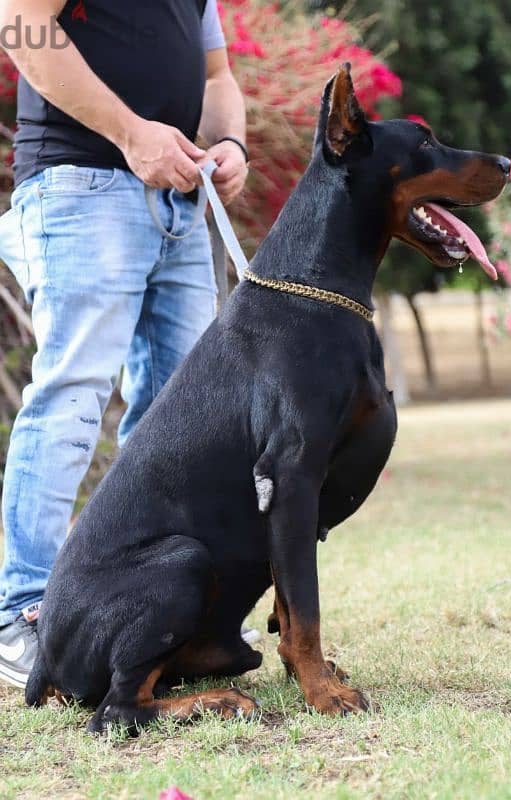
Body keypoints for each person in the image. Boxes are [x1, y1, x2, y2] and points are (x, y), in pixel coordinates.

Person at [0, 0, 255, 689]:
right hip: (80, 186)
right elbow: (18, 24)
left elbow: (217, 77)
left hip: (180, 200)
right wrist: (132, 134)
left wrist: (229, 143)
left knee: (183, 416)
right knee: (72, 396)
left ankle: (137, 614)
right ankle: (21, 613)